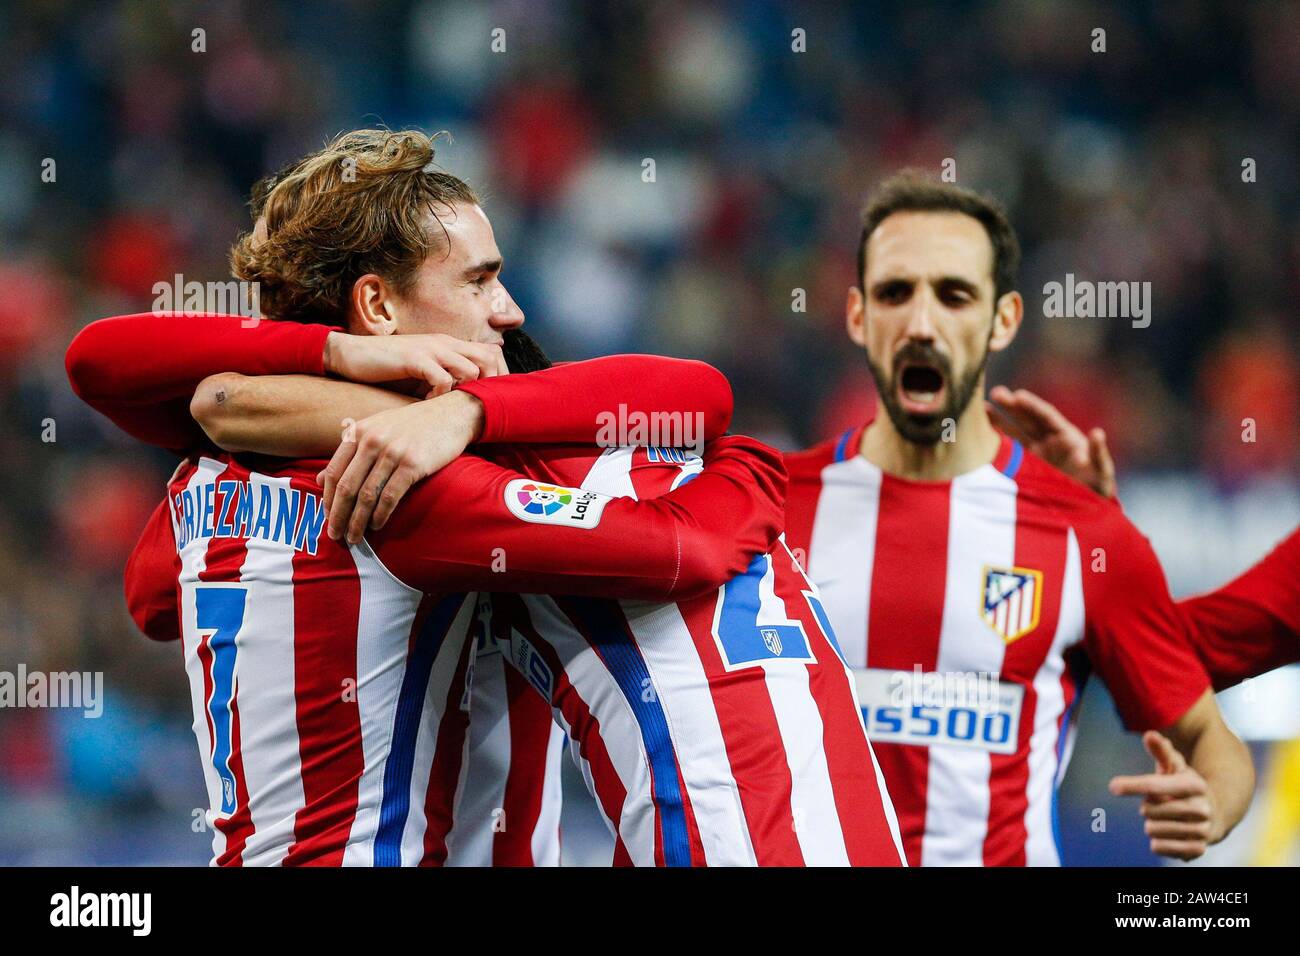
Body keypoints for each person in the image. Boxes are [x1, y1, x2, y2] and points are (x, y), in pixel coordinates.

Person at [73, 128, 905, 866]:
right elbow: (683, 489)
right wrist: (755, 469)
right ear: (376, 307)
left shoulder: (197, 482)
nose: (507, 310)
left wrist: (347, 374)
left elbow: (150, 585)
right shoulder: (417, 487)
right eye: (478, 281)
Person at [780, 172, 1254, 866]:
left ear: (1003, 318)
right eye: (894, 292)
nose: (921, 322)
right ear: (857, 315)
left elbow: (1215, 743)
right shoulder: (770, 511)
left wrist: (1210, 806)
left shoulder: (1084, 534)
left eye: (954, 294)